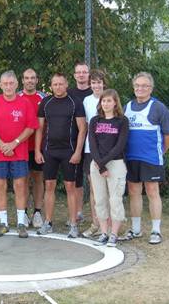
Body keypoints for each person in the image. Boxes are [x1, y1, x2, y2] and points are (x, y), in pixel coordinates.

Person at [0, 70, 38, 239]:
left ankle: (21, 223)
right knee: (0, 186)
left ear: (16, 84)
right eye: (5, 84)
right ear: (0, 85)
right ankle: (4, 223)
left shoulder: (25, 103)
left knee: (20, 186)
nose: (8, 86)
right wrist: (2, 145)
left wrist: (14, 143)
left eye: (11, 83)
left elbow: (31, 127)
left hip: (19, 152)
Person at [124, 72, 169, 245]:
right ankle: (136, 229)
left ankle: (155, 230)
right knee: (133, 192)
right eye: (137, 85)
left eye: (144, 85)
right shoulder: (127, 107)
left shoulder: (159, 108)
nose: (140, 88)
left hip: (151, 158)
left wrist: (160, 152)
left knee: (152, 191)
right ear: (133, 87)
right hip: (131, 158)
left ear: (151, 88)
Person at [35, 73, 86, 238]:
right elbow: (39, 129)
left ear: (66, 85)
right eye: (55, 84)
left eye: (61, 84)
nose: (58, 87)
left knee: (70, 187)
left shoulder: (74, 103)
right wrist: (37, 150)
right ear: (51, 86)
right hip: (50, 151)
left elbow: (82, 129)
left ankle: (73, 224)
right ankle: (48, 222)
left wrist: (78, 151)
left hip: (69, 152)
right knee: (49, 186)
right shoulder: (45, 102)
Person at [89, 89, 129, 247]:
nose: (105, 104)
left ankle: (114, 234)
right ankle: (104, 232)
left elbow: (120, 146)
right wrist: (100, 165)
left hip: (116, 164)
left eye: (109, 101)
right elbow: (92, 144)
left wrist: (104, 163)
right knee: (100, 200)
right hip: (97, 164)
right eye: (103, 101)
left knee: (115, 199)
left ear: (115, 103)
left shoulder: (122, 121)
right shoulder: (95, 120)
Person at [18, 68, 45, 228]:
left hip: (39, 147)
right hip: (21, 147)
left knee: (38, 178)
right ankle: (24, 213)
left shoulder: (44, 98)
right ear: (22, 81)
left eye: (32, 78)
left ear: (36, 80)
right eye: (26, 78)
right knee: (23, 180)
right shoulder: (17, 97)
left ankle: (37, 212)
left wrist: (40, 149)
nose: (29, 80)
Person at [81, 69, 106, 238]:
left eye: (99, 82)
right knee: (94, 189)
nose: (96, 85)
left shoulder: (111, 98)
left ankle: (109, 226)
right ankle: (95, 224)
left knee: (108, 190)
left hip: (108, 151)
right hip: (90, 149)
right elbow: (84, 126)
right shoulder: (86, 101)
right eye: (93, 82)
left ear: (104, 83)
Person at [68, 62, 93, 223]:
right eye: (79, 72)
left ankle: (97, 219)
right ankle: (77, 213)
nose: (81, 75)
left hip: (93, 143)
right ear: (74, 75)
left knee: (93, 181)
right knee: (76, 179)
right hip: (73, 141)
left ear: (88, 75)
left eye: (84, 72)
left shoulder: (96, 92)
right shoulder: (68, 93)